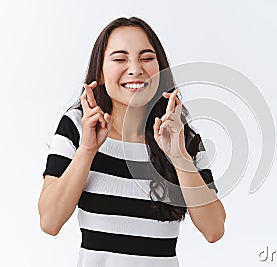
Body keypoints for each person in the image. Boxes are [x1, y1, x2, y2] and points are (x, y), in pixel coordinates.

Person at [38, 17, 226, 267]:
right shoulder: (77, 127)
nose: (135, 68)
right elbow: (50, 221)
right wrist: (87, 150)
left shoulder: (183, 137)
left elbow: (214, 230)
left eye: (147, 58)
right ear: (101, 73)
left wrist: (180, 159)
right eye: (119, 59)